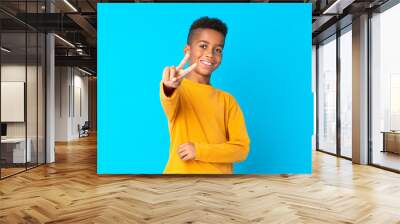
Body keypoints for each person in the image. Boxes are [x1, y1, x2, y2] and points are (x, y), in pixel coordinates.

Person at [160, 16, 250, 174]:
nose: (210, 54)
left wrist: (199, 150)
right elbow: (169, 100)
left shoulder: (228, 101)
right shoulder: (177, 90)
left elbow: (241, 149)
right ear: (187, 50)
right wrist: (169, 87)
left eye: (218, 50)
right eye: (203, 46)